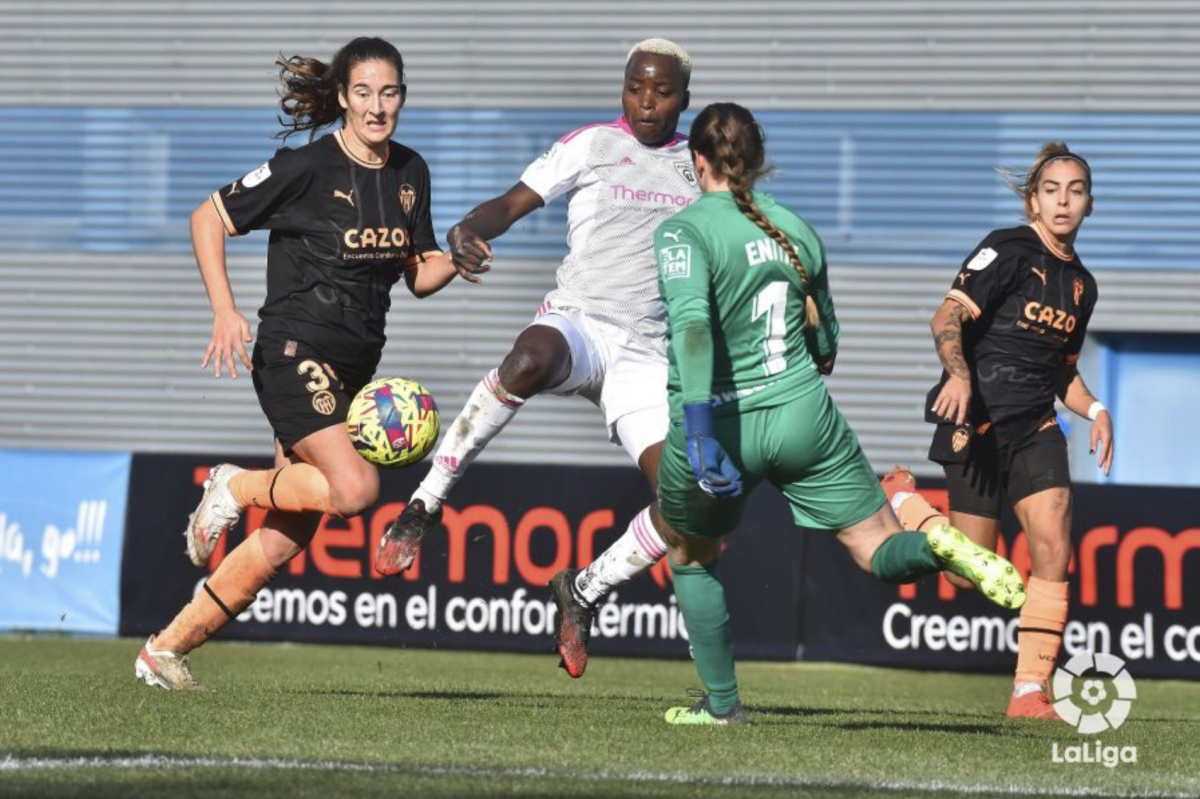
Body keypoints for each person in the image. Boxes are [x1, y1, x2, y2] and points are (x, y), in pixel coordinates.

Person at [652, 102, 1027, 726]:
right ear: (756, 159)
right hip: (803, 414)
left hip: (721, 422)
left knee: (691, 555)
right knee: (877, 547)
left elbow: (692, 329)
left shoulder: (683, 231)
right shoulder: (794, 229)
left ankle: (722, 706)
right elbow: (826, 343)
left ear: (697, 162)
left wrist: (697, 429)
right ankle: (938, 545)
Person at [134, 37, 464, 690]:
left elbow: (419, 275)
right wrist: (225, 311)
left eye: (389, 92)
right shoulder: (306, 168)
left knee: (285, 541)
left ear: (403, 96)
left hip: (353, 371)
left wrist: (462, 255)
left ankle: (163, 651)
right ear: (342, 96)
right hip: (293, 352)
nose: (377, 106)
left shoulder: (411, 173)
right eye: (363, 92)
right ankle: (231, 485)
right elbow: (209, 216)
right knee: (356, 491)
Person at [373, 39, 699, 678]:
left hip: (647, 354)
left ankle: (583, 590)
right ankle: (424, 505)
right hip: (580, 320)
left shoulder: (698, 164)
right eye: (635, 86)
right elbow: (511, 203)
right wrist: (468, 230)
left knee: (685, 507)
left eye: (661, 91)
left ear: (683, 98)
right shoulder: (593, 143)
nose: (646, 100)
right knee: (528, 356)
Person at [881, 142, 1112, 720]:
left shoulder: (1083, 285)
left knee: (1055, 531)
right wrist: (958, 376)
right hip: (975, 420)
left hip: (1035, 426)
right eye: (1052, 189)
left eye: (1075, 190)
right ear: (1033, 200)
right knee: (969, 577)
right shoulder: (1007, 248)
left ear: (1089, 203)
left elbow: (1063, 373)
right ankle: (906, 503)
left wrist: (1098, 409)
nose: (1063, 200)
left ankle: (1030, 691)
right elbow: (947, 316)